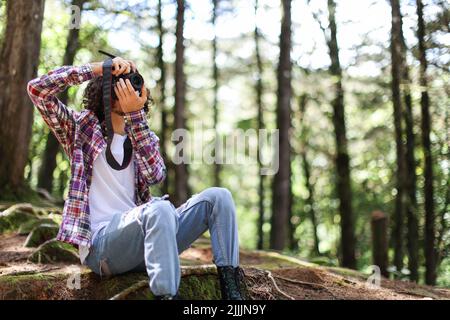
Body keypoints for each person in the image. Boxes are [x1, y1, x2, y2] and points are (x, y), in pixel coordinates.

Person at [27, 56, 243, 300]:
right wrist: (99, 68)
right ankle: (167, 296)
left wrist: (136, 117)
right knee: (159, 209)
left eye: (134, 81)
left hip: (150, 241)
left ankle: (233, 291)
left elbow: (155, 174)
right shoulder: (79, 129)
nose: (131, 87)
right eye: (121, 82)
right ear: (106, 89)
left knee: (218, 197)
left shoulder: (140, 133)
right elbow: (38, 90)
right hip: (104, 249)